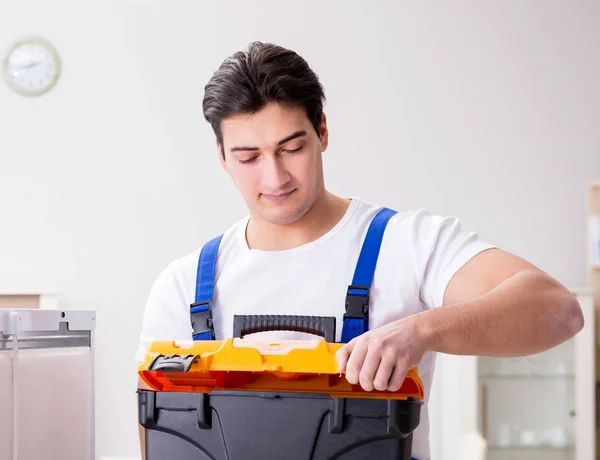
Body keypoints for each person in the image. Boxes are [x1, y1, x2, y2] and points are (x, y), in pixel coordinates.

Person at [135, 41, 584, 460]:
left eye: (292, 148)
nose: (274, 179)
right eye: (248, 158)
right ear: (221, 156)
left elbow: (557, 310)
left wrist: (419, 332)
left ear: (323, 131)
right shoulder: (184, 285)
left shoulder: (408, 244)